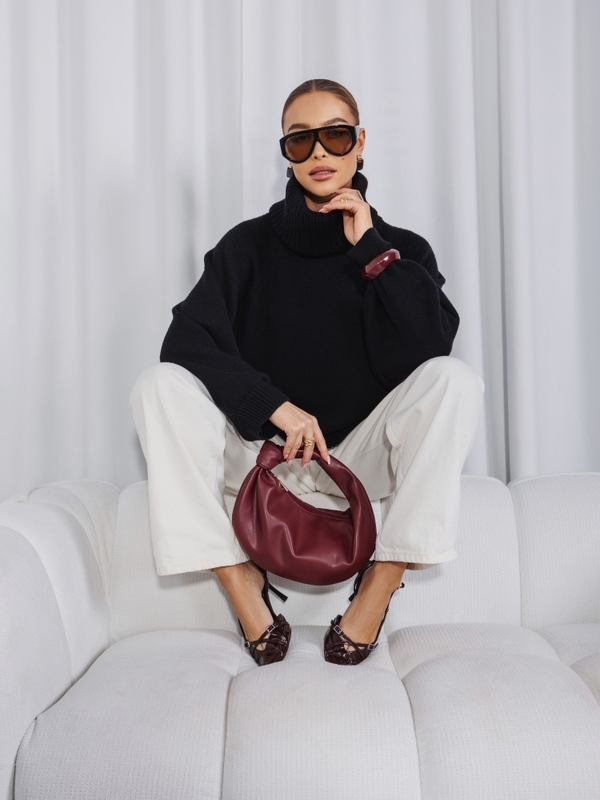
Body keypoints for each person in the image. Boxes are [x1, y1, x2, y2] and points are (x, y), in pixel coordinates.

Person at [130, 78, 484, 668]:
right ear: (287, 153)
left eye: (335, 135)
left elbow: (431, 348)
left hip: (359, 462)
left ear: (360, 144)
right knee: (157, 387)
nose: (319, 151)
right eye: (300, 140)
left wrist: (371, 251)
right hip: (266, 458)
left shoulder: (401, 250)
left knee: (456, 380)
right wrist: (273, 405)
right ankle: (238, 578)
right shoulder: (246, 247)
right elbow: (184, 340)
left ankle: (382, 578)